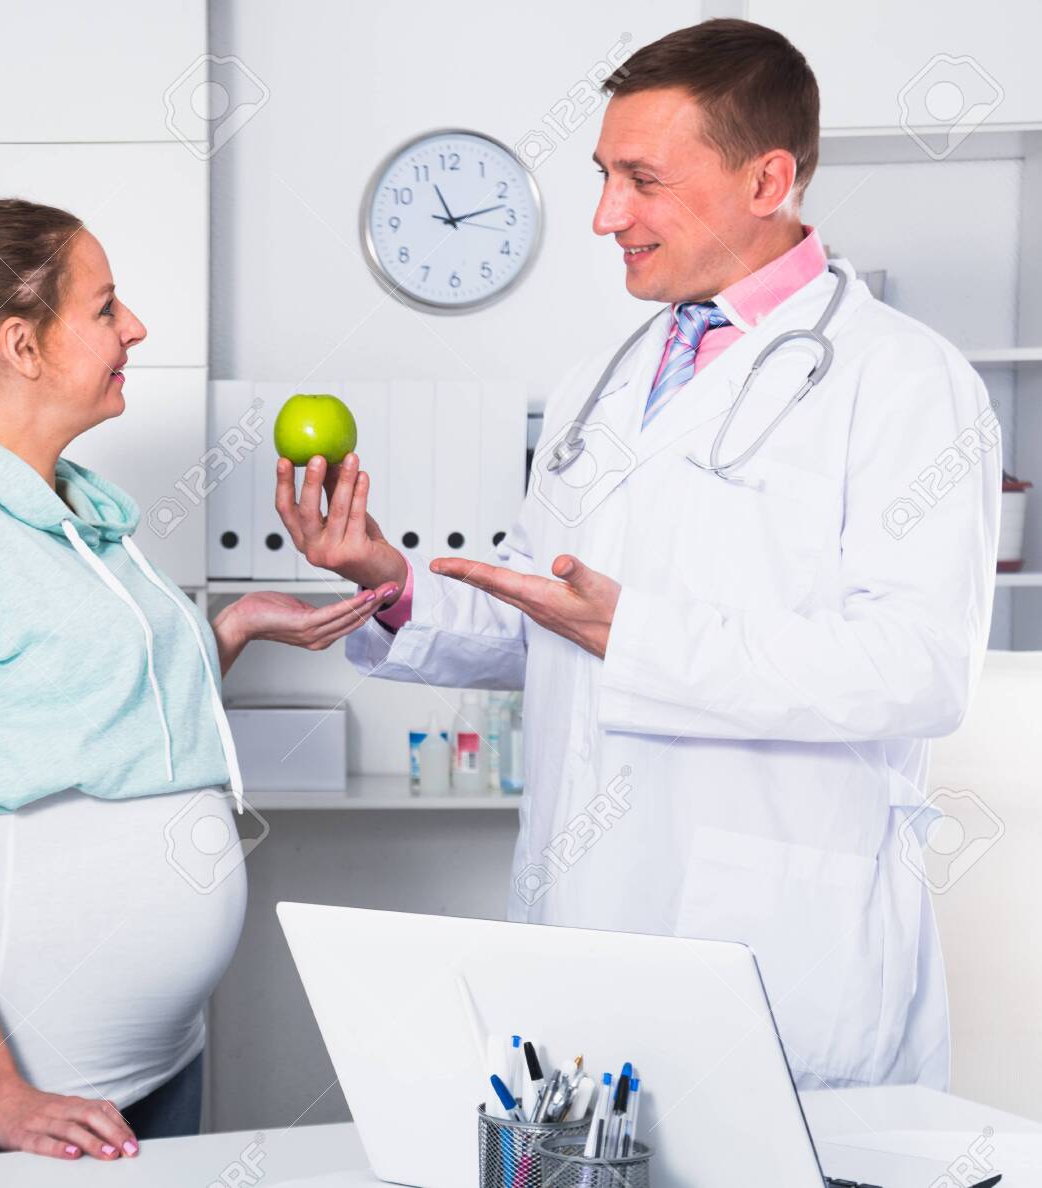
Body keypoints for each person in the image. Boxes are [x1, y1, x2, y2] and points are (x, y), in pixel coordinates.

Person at [276, 19, 1000, 1090]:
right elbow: (555, 614)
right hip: (585, 915)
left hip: (780, 939)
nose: (606, 216)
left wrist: (640, 635)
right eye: (604, 176)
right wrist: (391, 586)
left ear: (768, 180)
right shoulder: (605, 380)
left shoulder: (904, 382)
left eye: (642, 180)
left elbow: (917, 669)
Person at [0, 191, 400, 1161]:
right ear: (22, 344)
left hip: (161, 1057)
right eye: (103, 308)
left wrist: (232, 629)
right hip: (37, 1077)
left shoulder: (79, 515)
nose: (134, 326)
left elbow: (98, 712)